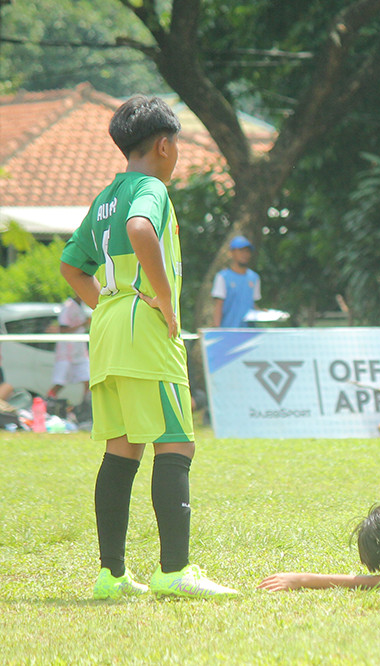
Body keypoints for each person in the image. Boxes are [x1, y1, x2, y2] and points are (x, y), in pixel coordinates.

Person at [58, 95, 236, 599]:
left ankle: (111, 576)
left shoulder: (106, 196)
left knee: (122, 449)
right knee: (176, 442)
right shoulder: (150, 188)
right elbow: (140, 229)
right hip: (145, 330)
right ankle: (174, 571)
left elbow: (71, 266)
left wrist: (109, 304)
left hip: (109, 328)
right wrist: (164, 300)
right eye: (176, 145)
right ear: (164, 145)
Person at [211, 235, 261, 327]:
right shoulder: (222, 277)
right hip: (229, 330)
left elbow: (251, 303)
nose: (245, 254)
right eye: (241, 251)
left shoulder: (254, 277)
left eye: (247, 251)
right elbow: (218, 306)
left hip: (248, 331)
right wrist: (217, 329)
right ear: (231, 253)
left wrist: (262, 313)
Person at [48, 295, 91, 402]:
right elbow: (63, 329)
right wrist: (83, 324)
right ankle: (47, 403)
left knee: (89, 381)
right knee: (59, 384)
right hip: (66, 353)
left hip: (80, 352)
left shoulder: (83, 306)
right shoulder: (68, 307)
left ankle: (85, 406)